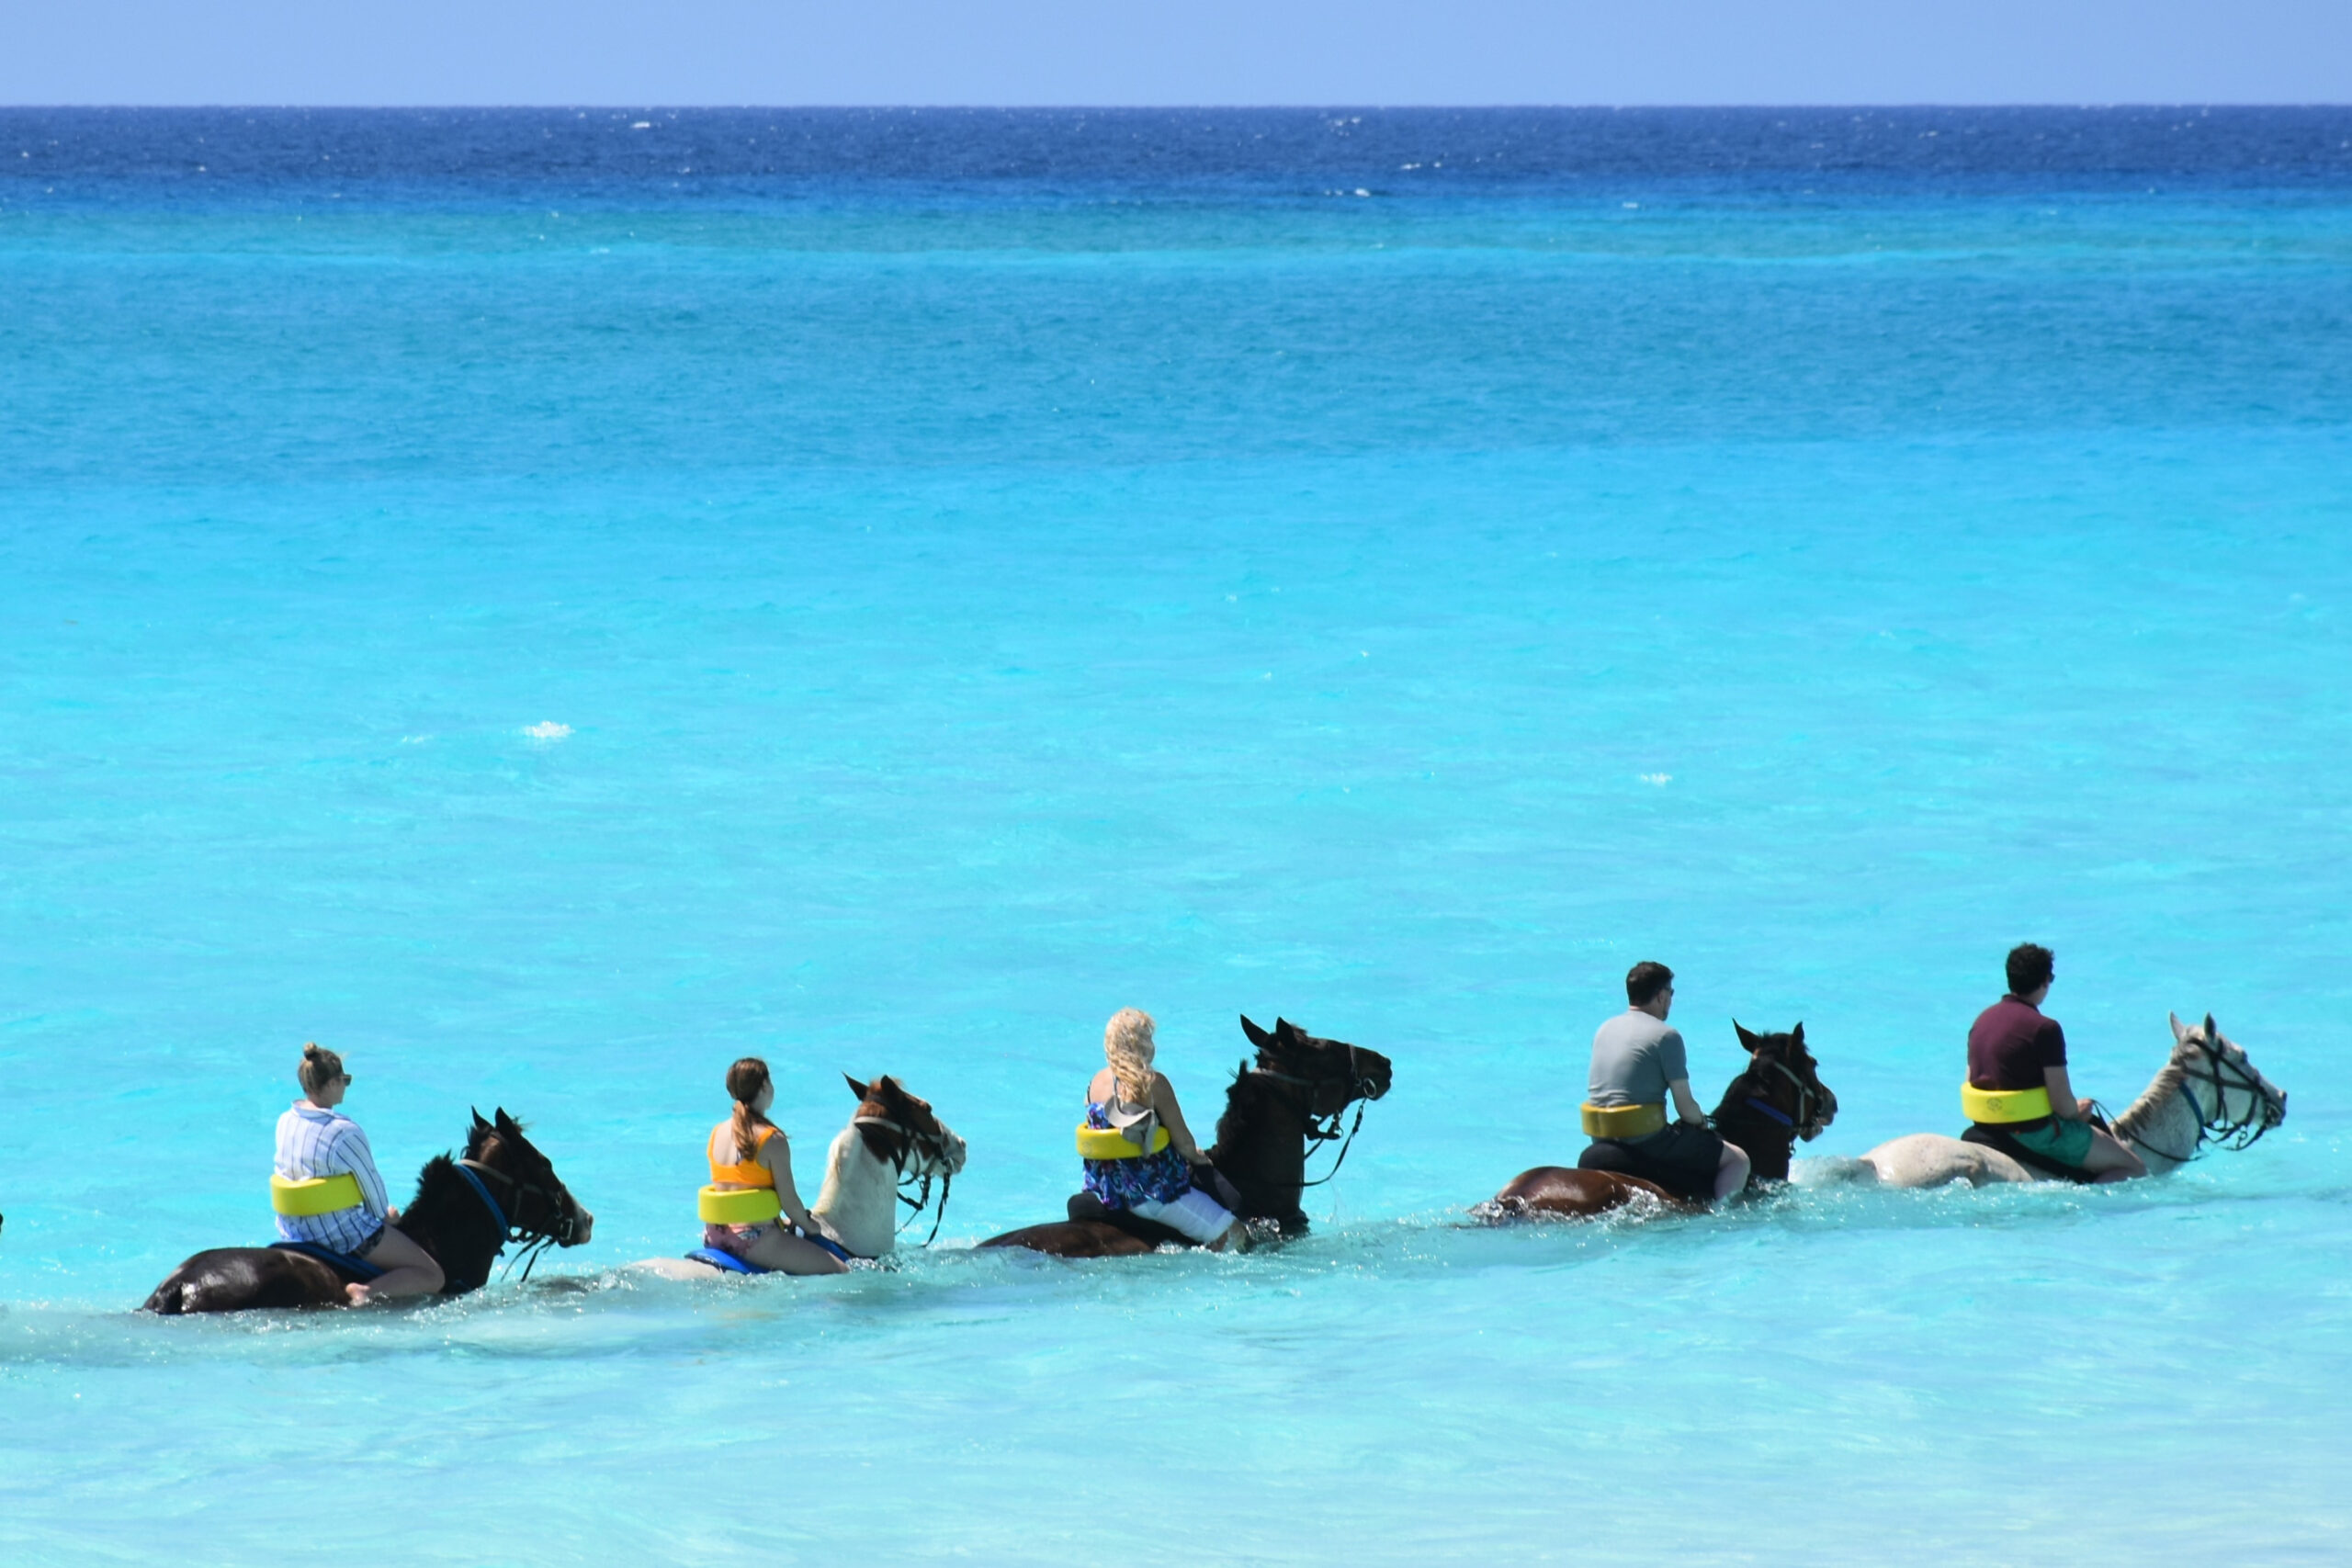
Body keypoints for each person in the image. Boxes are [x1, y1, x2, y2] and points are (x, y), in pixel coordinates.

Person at [275, 1043, 447, 1306]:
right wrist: (386, 1217)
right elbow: (372, 1188)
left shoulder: (285, 1121)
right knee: (433, 1275)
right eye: (345, 1080)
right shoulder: (343, 1131)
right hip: (340, 1235)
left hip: (294, 1231)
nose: (345, 1086)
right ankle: (364, 1292)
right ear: (332, 1083)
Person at [1965, 944, 2146, 1183]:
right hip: (2034, 1133)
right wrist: (2078, 1109)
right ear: (2044, 982)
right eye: (2050, 978)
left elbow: (1973, 1080)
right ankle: (2087, 1209)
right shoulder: (2045, 1029)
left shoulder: (1982, 1020)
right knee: (2135, 1168)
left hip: (1986, 1126)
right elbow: (2062, 1106)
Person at [1577, 962, 1751, 1202]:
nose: (1670, 1000)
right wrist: (1701, 1122)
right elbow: (1685, 1106)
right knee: (1738, 1160)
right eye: (1671, 993)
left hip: (1600, 1136)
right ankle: (1720, 1218)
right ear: (1660, 996)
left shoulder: (1604, 1029)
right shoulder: (1666, 1036)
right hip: (1645, 1141)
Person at [1080, 1008, 1243, 1249]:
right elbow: (1185, 1144)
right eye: (1150, 1038)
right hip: (1151, 1195)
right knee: (1234, 1234)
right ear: (1143, 1044)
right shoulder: (1153, 1083)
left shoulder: (1096, 1082)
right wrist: (1201, 1160)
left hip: (1106, 1191)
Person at [701, 1057, 848, 1274]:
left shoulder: (717, 1132)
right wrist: (811, 1227)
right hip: (755, 1240)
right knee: (840, 1270)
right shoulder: (772, 1139)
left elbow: (739, 1189)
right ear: (764, 1086)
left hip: (714, 1234)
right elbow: (789, 1202)